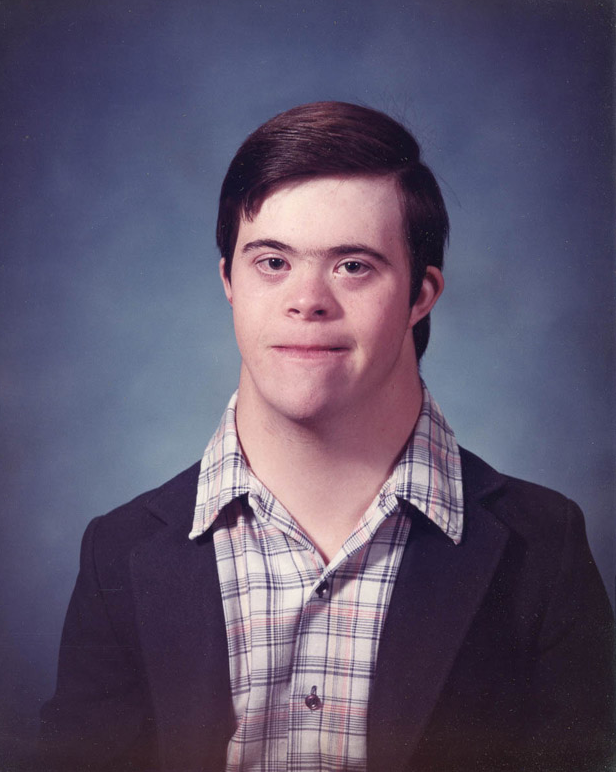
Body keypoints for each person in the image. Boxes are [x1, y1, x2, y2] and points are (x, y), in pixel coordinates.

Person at [38, 102, 613, 772]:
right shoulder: (120, 553)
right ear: (228, 281)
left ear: (421, 295)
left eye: (353, 266)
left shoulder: (545, 548)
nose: (307, 298)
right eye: (273, 261)